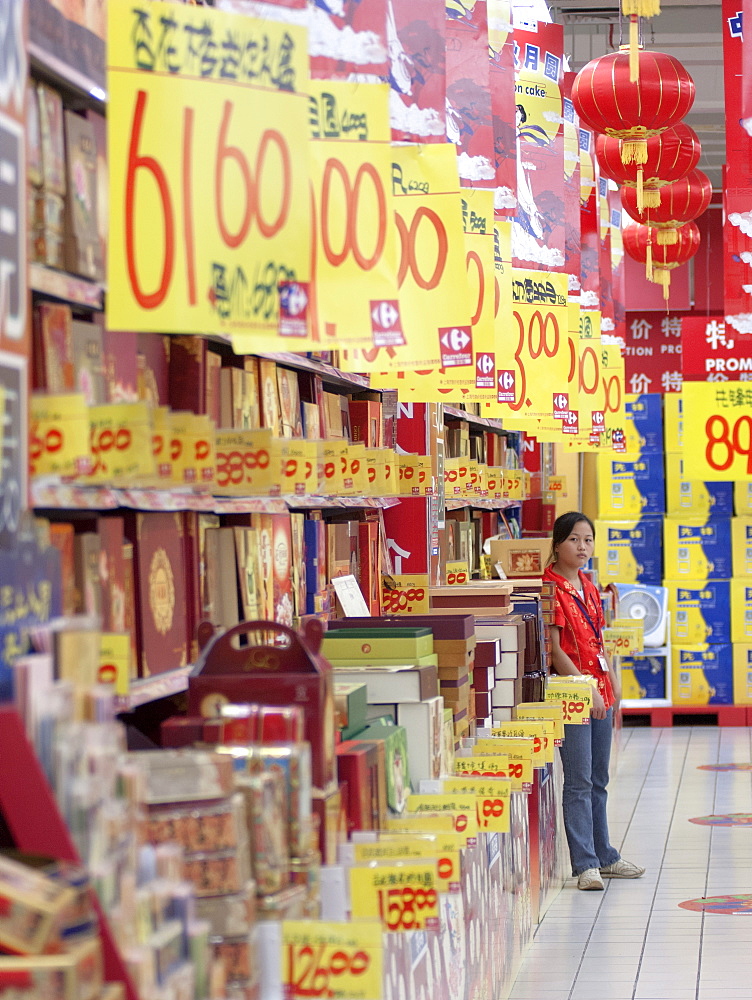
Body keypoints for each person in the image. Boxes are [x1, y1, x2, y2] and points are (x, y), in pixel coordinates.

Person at [543, 511, 646, 891]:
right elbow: (554, 651)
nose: (582, 547)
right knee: (579, 780)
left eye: (588, 540)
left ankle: (605, 856)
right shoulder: (550, 588)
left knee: (599, 779)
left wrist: (611, 678)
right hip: (573, 693)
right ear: (557, 544)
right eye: (574, 539)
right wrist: (584, 685)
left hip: (599, 689)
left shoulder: (588, 585)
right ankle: (584, 863)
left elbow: (597, 640)